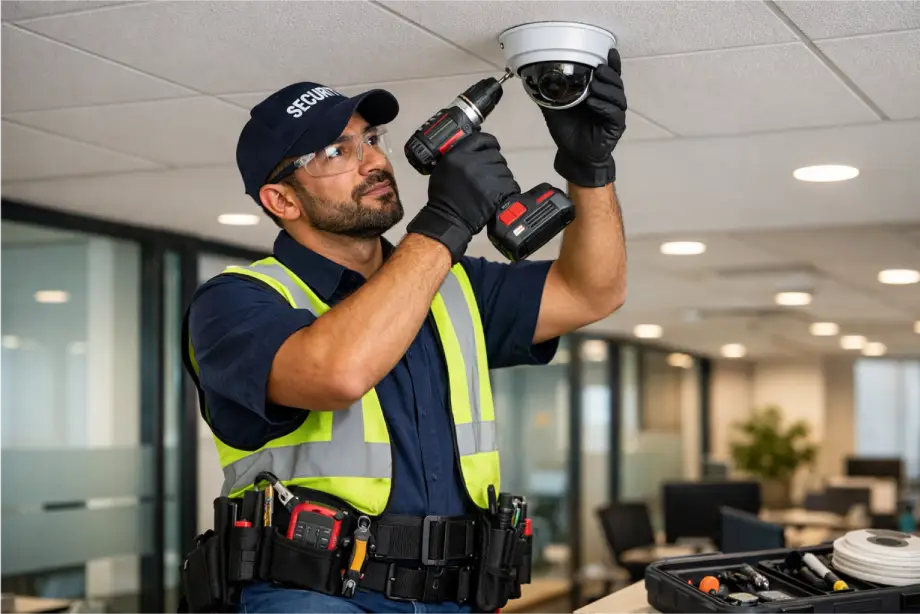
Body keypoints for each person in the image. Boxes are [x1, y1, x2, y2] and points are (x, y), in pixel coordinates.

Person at [182, 49, 627, 614]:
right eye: (335, 151)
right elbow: (336, 372)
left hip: (461, 592)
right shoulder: (236, 301)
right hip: (312, 595)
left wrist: (589, 169)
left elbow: (595, 291)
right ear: (281, 199)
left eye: (370, 139)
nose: (371, 160)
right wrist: (444, 224)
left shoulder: (452, 284)